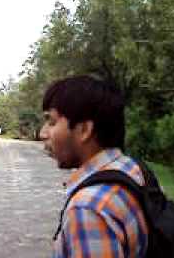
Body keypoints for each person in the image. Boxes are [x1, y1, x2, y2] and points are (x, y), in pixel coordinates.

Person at [42, 75, 148, 258]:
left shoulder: (88, 208)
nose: (43, 133)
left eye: (51, 122)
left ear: (84, 130)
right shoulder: (133, 170)